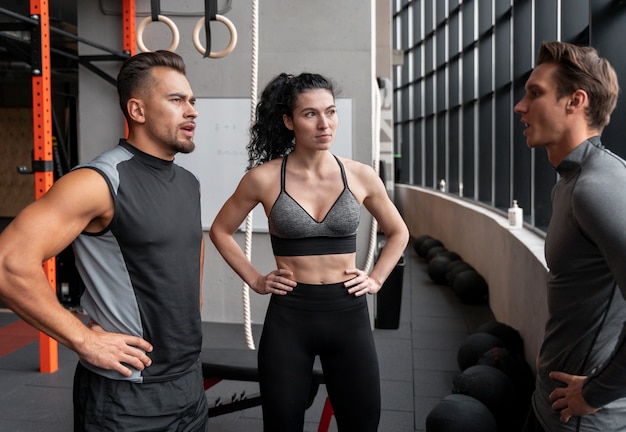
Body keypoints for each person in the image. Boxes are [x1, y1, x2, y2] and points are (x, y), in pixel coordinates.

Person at [0, 50, 208, 431]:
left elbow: (192, 249)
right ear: (138, 111)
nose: (192, 110)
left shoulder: (188, 183)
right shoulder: (98, 181)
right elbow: (8, 263)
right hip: (126, 395)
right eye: (177, 100)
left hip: (189, 384)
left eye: (192, 100)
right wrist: (82, 338)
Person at [209, 72, 409, 431]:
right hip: (290, 317)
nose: (324, 123)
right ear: (288, 121)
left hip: (348, 313)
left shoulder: (361, 175)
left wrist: (377, 279)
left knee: (362, 423)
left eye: (330, 112)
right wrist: (255, 279)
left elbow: (398, 232)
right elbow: (221, 231)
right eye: (310, 114)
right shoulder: (264, 178)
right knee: (282, 424)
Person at [514, 41, 626, 431]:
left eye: (535, 93)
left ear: (574, 101)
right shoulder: (571, 180)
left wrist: (595, 393)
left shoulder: (599, 186)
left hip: (582, 420)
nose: (519, 107)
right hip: (550, 405)